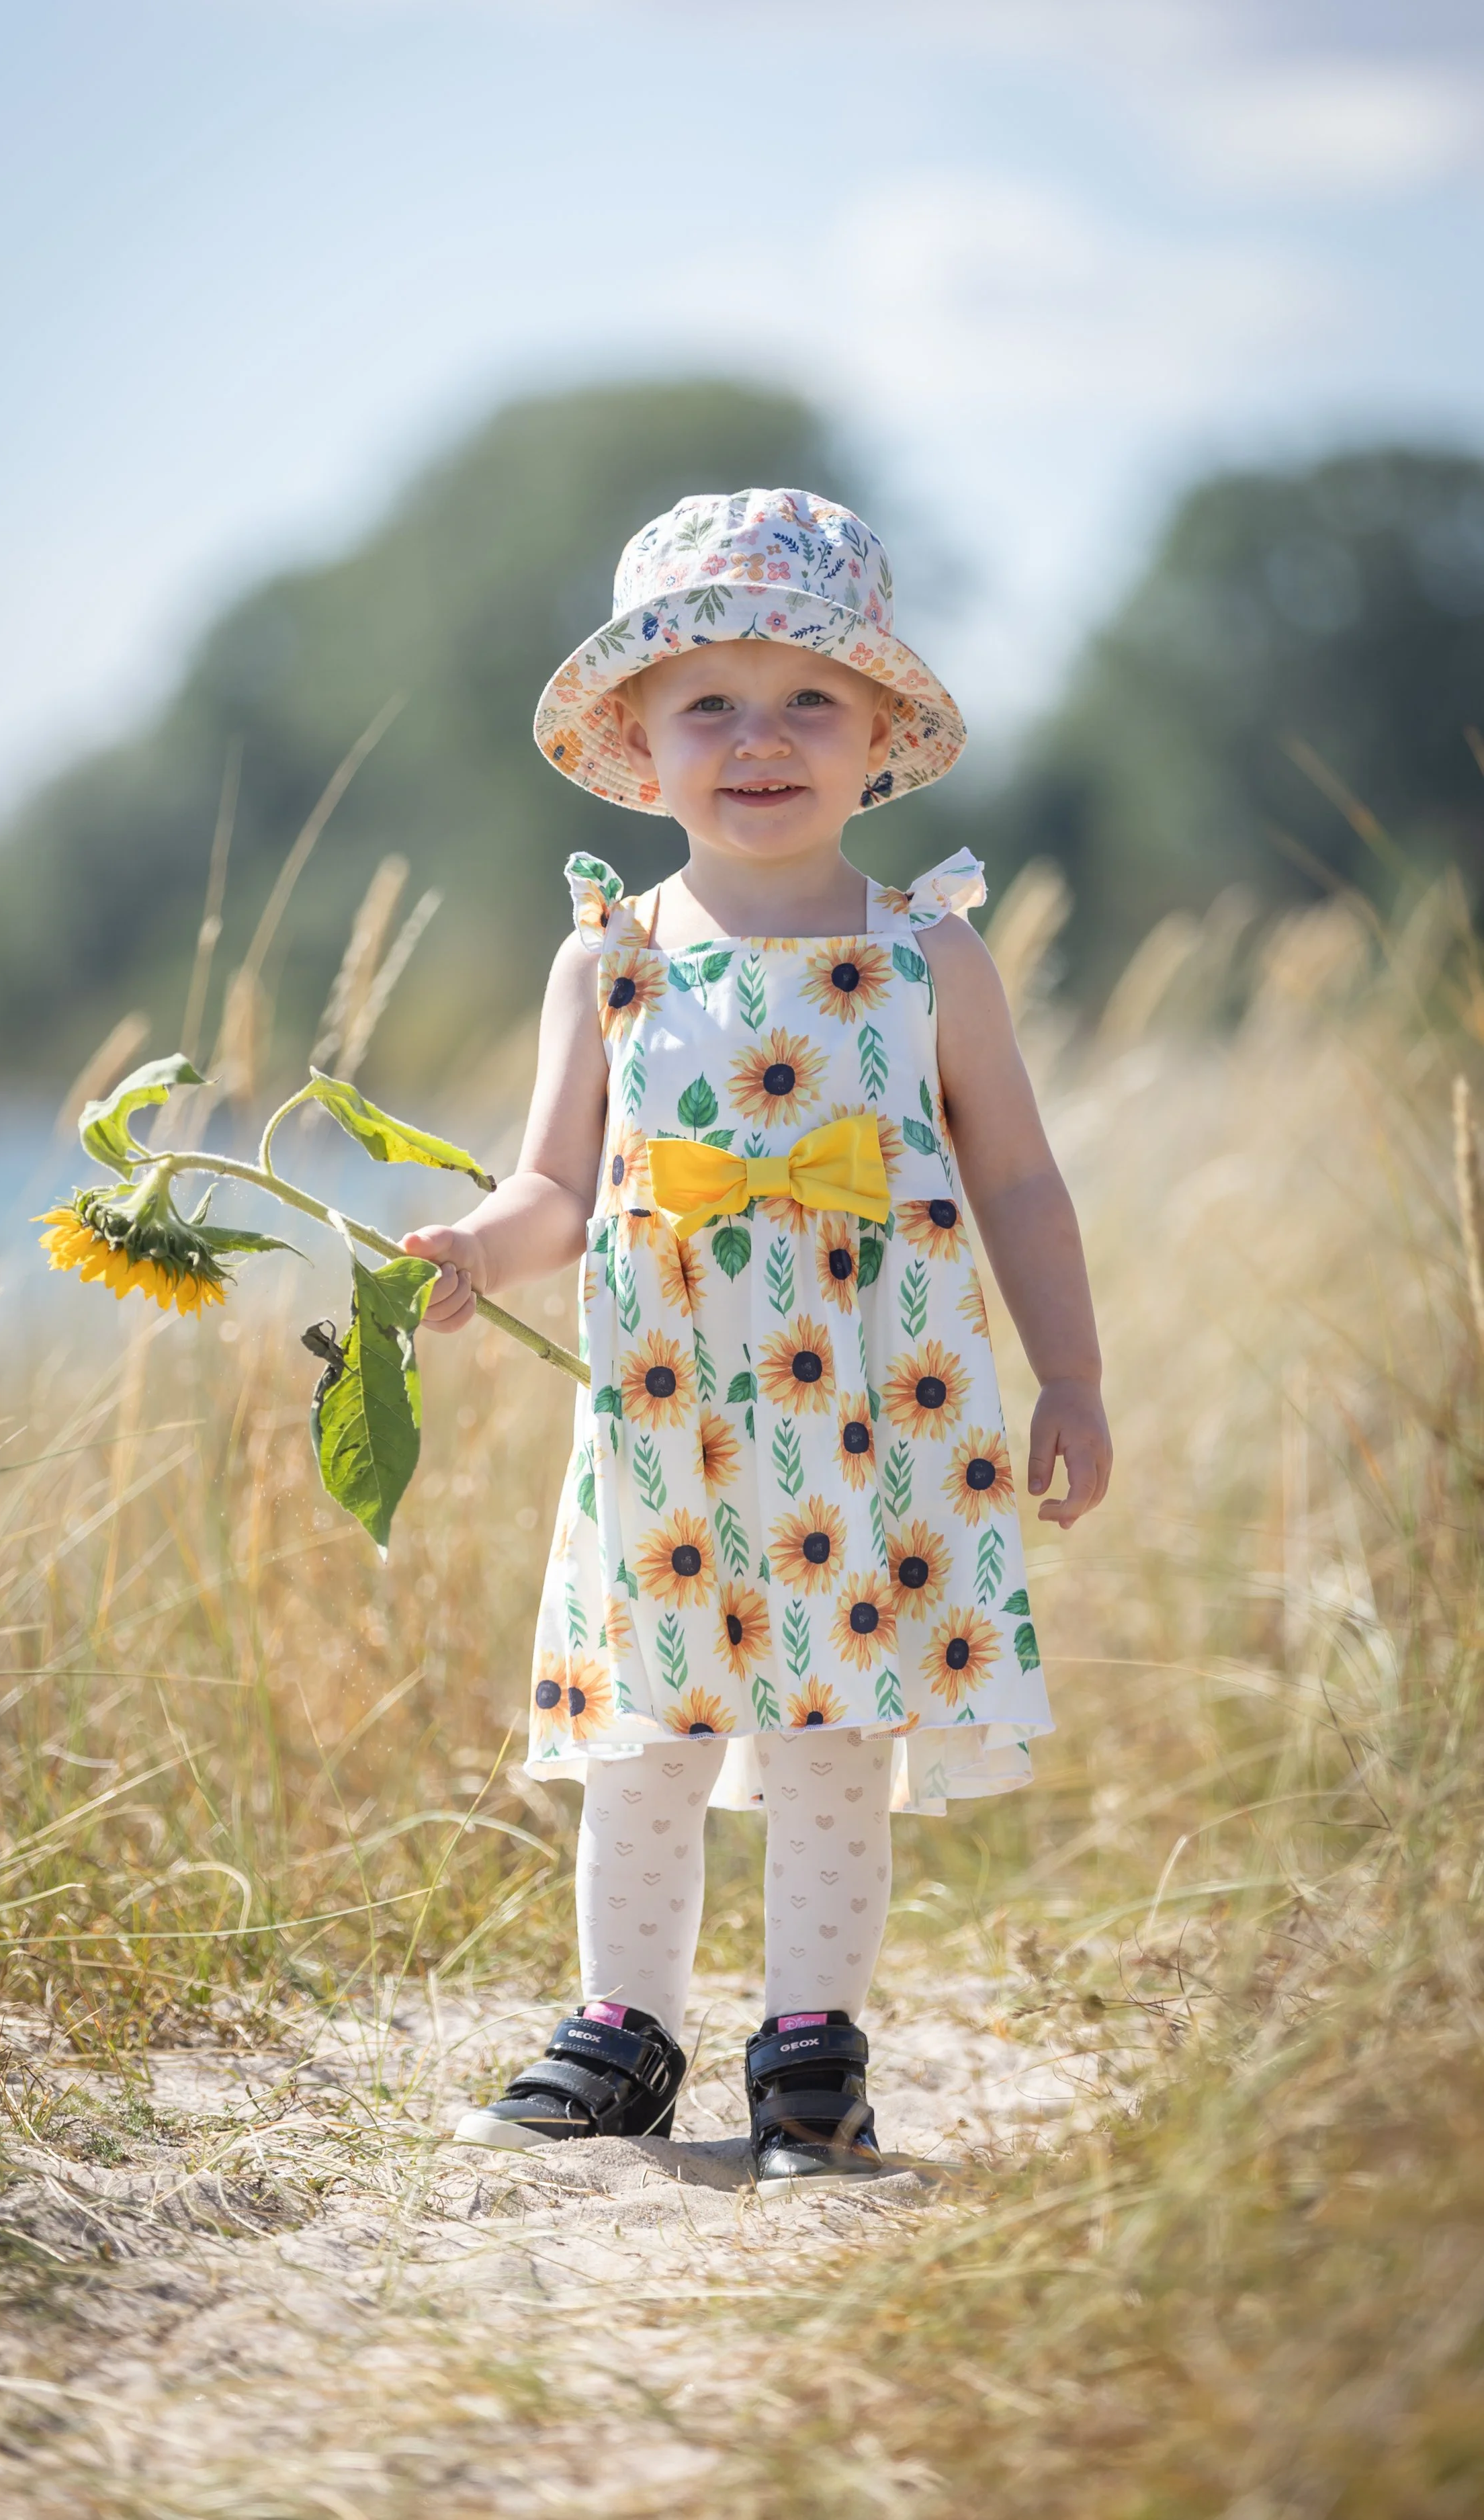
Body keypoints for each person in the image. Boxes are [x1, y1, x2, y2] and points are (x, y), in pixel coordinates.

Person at [406, 488, 1110, 2189]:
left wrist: (1072, 1374)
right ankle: (621, 2028)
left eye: (806, 697)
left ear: (877, 737)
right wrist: (469, 1255)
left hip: (870, 1415)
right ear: (636, 746)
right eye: (704, 701)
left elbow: (1014, 1176)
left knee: (827, 1731)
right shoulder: (610, 961)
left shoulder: (927, 955)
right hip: (663, 1415)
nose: (757, 737)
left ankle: (809, 2050)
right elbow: (553, 1185)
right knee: (643, 1731)